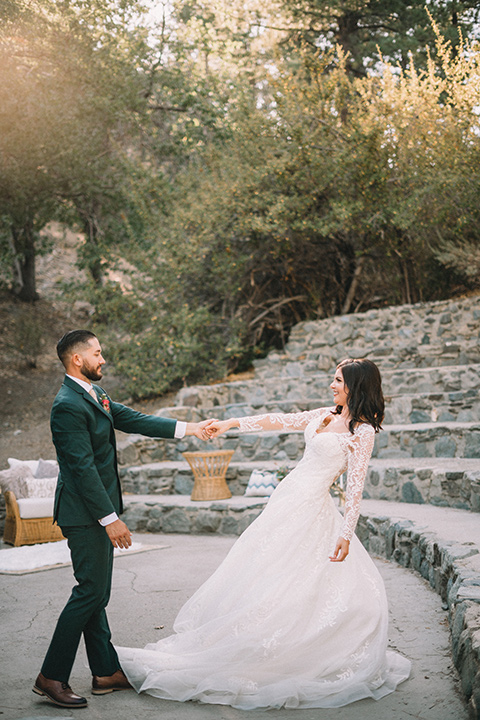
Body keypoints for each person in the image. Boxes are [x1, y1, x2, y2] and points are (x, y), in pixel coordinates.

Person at [117, 358, 411, 710]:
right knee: (264, 570)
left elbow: (356, 486)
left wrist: (347, 534)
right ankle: (254, 638)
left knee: (299, 580)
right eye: (332, 379)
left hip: (313, 509)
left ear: (355, 385)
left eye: (337, 380)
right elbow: (276, 420)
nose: (332, 385)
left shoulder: (361, 431)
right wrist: (229, 424)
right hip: (285, 501)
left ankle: (293, 646)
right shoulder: (325, 415)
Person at [33, 330, 213, 710]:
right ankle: (51, 676)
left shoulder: (93, 394)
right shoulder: (66, 404)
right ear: (77, 359)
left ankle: (105, 672)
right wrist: (110, 519)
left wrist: (190, 429)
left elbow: (134, 419)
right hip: (85, 515)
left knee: (96, 592)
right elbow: (81, 469)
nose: (103, 359)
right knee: (89, 592)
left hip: (93, 513)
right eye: (97, 353)